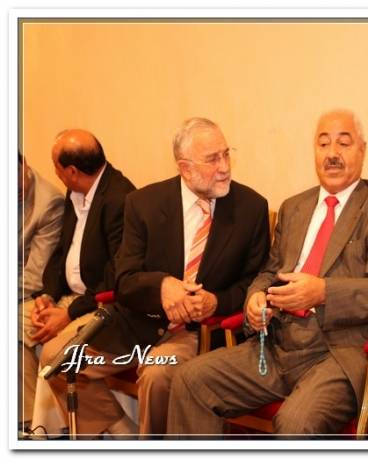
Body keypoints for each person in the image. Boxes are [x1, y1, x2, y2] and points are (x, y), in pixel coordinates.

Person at [166, 109, 368, 437]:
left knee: (295, 422)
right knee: (189, 380)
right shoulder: (294, 207)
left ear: (362, 150)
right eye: (323, 144)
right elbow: (269, 272)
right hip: (278, 344)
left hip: (339, 354)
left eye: (344, 143)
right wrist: (255, 299)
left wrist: (322, 292)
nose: (332, 154)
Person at [41, 117, 271, 438]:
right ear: (185, 168)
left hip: (196, 333)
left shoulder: (251, 208)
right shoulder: (144, 203)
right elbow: (123, 279)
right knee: (57, 359)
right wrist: (162, 286)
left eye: (226, 154)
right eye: (212, 159)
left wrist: (215, 301)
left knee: (159, 374)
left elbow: (254, 282)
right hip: (137, 323)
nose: (224, 167)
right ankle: (125, 433)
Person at [29, 129, 135, 434]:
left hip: (102, 304)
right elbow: (62, 250)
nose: (54, 171)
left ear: (72, 171)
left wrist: (68, 314)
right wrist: (47, 295)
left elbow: (115, 277)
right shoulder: (76, 191)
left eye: (55, 165)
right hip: (68, 297)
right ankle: (36, 427)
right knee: (19, 326)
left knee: (58, 357)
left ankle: (120, 431)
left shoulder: (120, 199)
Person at [18, 151, 64, 428]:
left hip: (28, 292)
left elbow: (35, 277)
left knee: (14, 327)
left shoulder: (49, 203)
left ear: (24, 164)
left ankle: (29, 424)